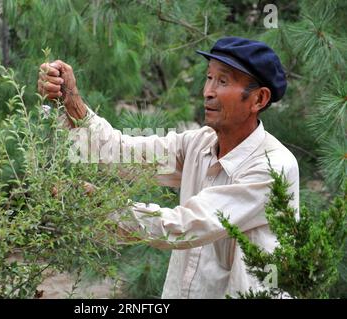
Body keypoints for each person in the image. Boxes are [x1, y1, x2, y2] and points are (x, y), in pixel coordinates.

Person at [37, 37, 299, 299]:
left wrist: (102, 206)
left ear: (259, 99)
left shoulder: (273, 167)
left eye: (223, 81)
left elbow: (185, 226)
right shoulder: (199, 144)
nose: (208, 91)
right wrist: (72, 102)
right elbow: (121, 154)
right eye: (209, 77)